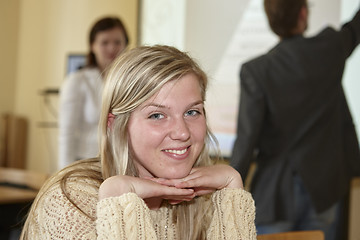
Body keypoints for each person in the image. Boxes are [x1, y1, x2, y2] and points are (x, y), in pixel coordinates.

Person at [21, 45, 257, 239]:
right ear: (115, 125)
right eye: (157, 115)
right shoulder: (72, 201)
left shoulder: (205, 199)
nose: (182, 132)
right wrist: (119, 200)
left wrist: (233, 185)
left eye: (192, 112)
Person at [231, 0, 360, 239]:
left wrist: (226, 193)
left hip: (275, 196)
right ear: (303, 13)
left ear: (271, 21)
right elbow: (355, 28)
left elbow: (246, 141)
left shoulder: (256, 71)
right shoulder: (330, 48)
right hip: (323, 190)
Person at [58, 16, 129, 169]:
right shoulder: (77, 81)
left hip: (121, 164)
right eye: (105, 42)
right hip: (85, 164)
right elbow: (66, 134)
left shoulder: (130, 82)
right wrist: (62, 174)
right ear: (92, 46)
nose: (112, 48)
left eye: (117, 42)